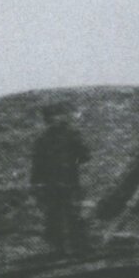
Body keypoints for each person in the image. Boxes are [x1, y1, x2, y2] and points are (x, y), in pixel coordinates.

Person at [30, 103, 93, 253]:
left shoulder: (71, 135)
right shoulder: (43, 139)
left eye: (56, 116)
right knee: (54, 215)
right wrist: (35, 183)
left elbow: (85, 155)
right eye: (50, 117)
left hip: (68, 181)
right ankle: (57, 247)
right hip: (52, 182)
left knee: (72, 213)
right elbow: (37, 163)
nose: (54, 120)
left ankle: (78, 246)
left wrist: (71, 164)